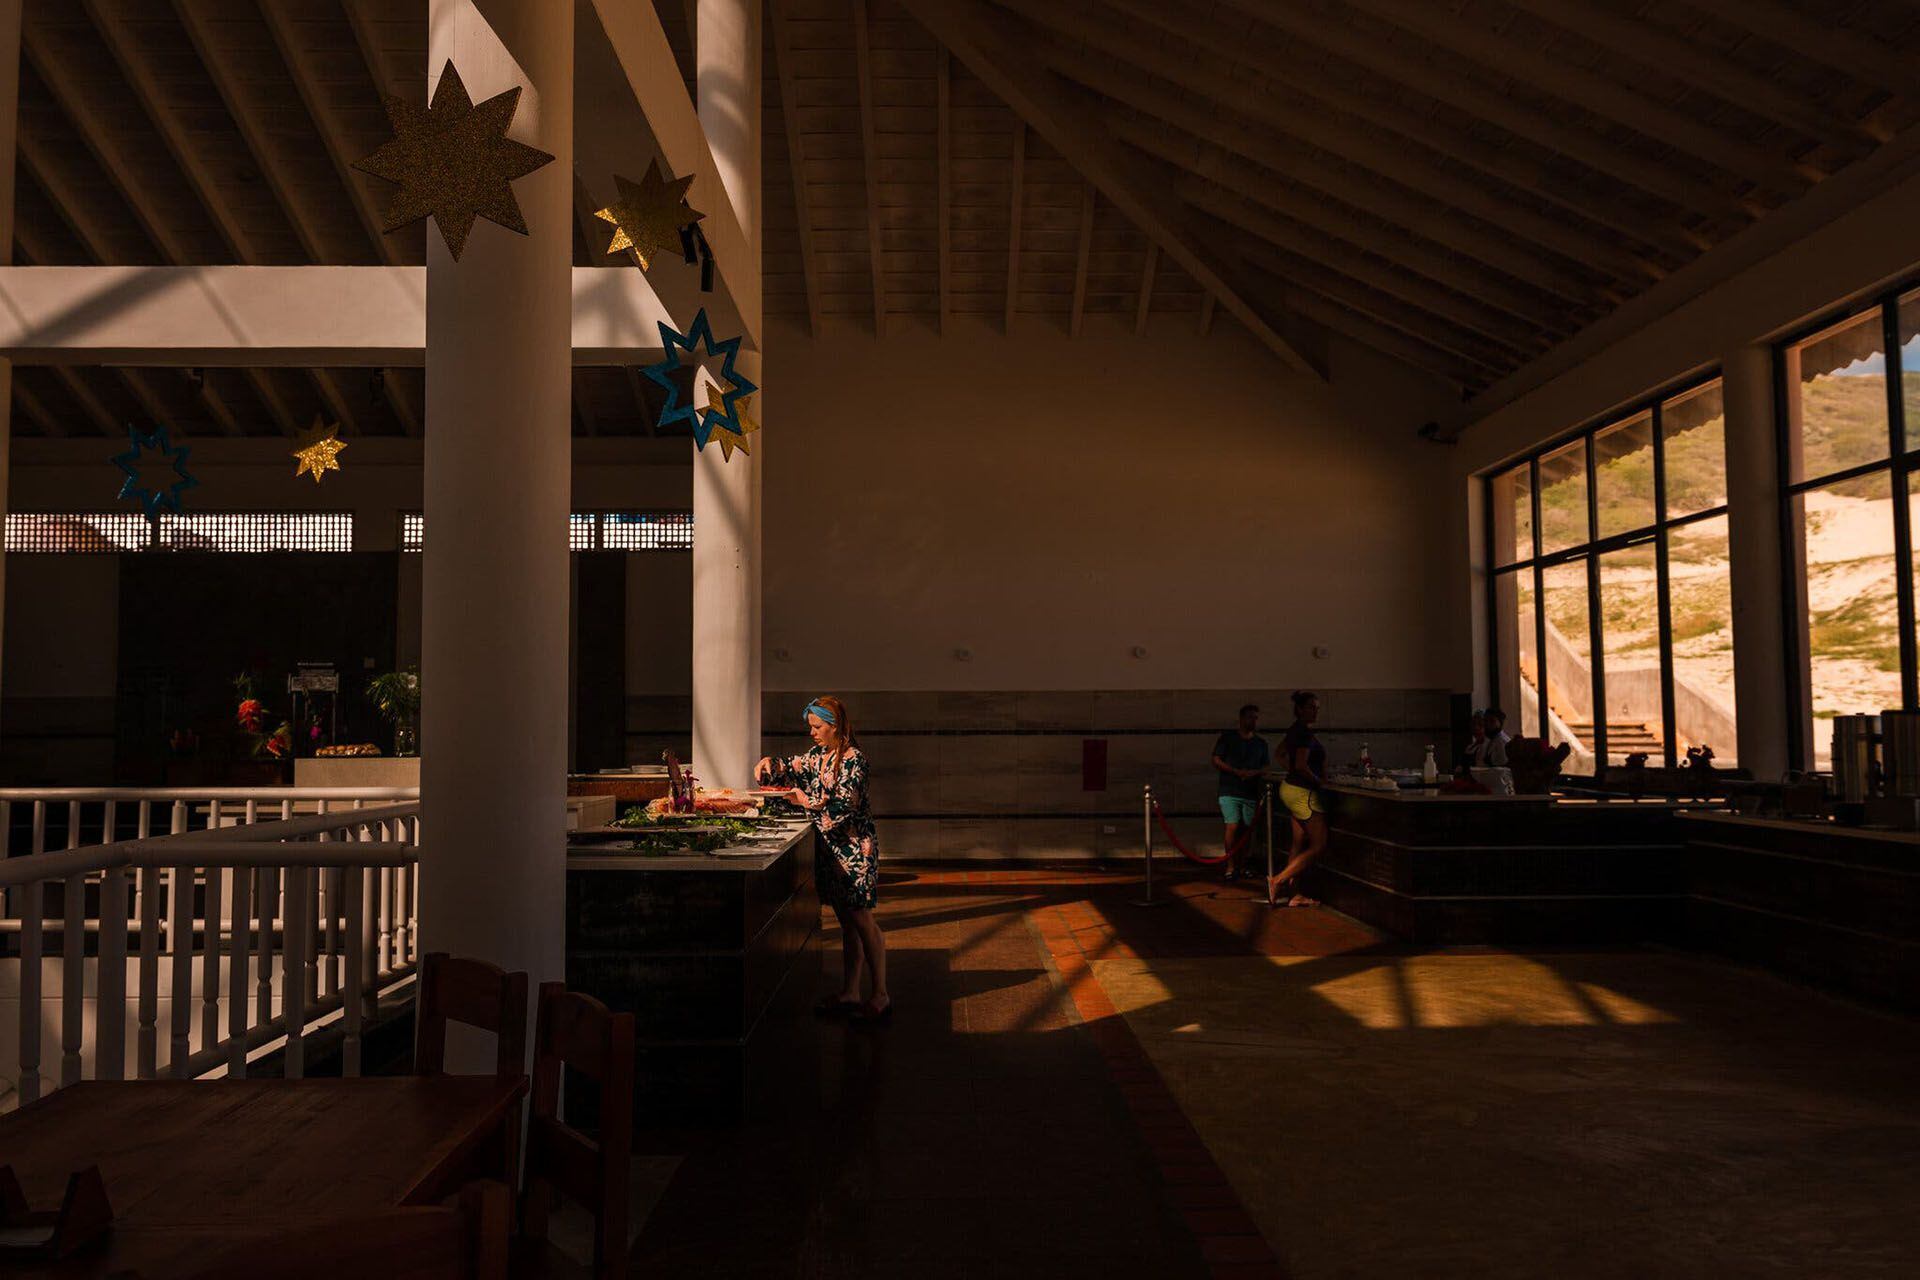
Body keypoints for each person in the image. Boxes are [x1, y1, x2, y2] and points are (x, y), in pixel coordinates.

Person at [755, 697, 890, 1024]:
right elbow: (790, 766)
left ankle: (881, 994)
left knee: (862, 919)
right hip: (831, 852)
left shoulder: (855, 761)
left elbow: (843, 809)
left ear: (835, 726)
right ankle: (851, 991)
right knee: (847, 922)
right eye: (811, 727)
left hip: (855, 851)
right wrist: (769, 762)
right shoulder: (817, 756)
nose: (812, 733)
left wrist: (804, 800)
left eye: (817, 727)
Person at [1267, 690, 1327, 908]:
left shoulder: (1294, 729)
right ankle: (1278, 880)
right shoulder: (1304, 733)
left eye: (1317, 707)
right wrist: (1319, 781)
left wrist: (1291, 770)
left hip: (1290, 788)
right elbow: (1301, 765)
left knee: (1298, 843)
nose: (1315, 711)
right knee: (1319, 844)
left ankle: (1295, 895)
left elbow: (1279, 754)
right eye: (1311, 707)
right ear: (1300, 709)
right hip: (1304, 792)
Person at [1211, 703, 1270, 880]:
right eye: (1250, 717)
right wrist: (1235, 771)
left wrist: (1254, 773)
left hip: (1250, 792)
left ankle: (1243, 864)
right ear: (1241, 718)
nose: (1253, 721)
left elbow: (1266, 766)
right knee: (1233, 825)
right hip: (1229, 790)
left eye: (1256, 718)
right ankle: (1230, 865)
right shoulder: (1228, 738)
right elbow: (1216, 759)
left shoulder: (1260, 743)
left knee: (1247, 831)